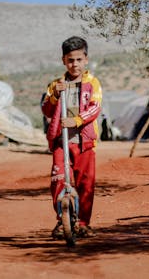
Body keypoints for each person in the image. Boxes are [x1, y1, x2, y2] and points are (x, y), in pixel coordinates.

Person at [41, 36, 102, 238]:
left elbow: (95, 108)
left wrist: (76, 121)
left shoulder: (92, 83)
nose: (74, 64)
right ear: (63, 61)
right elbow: (47, 110)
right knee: (58, 179)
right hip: (61, 142)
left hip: (84, 142)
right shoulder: (55, 85)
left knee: (86, 183)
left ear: (86, 59)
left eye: (78, 59)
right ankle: (62, 220)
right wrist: (55, 96)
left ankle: (83, 223)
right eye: (70, 60)